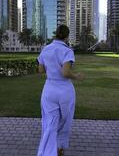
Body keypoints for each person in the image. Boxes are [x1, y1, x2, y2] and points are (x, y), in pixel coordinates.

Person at [37, 25, 85, 156]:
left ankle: (45, 152)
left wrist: (51, 68)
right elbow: (65, 72)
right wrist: (77, 76)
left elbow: (40, 70)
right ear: (66, 36)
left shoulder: (45, 49)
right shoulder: (67, 51)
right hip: (64, 90)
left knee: (49, 123)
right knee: (64, 122)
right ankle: (59, 150)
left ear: (55, 34)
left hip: (49, 89)